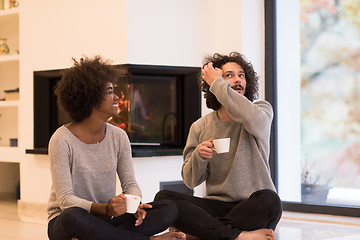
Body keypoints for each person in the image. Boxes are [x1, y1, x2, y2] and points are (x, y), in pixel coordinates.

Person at [47, 56, 186, 240]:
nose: (118, 97)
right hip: (68, 223)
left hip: (105, 222)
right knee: (71, 216)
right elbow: (66, 201)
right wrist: (106, 208)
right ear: (91, 97)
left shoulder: (118, 136)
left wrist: (133, 204)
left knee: (167, 209)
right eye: (111, 91)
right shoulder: (61, 139)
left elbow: (130, 184)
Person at [155, 52, 282, 240]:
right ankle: (239, 236)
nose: (238, 80)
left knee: (271, 200)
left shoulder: (261, 110)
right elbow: (191, 181)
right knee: (163, 199)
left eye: (241, 75)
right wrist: (199, 156)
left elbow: (250, 116)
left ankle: (200, 234)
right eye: (228, 75)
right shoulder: (200, 126)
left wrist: (218, 83)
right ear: (213, 85)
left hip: (253, 205)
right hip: (216, 206)